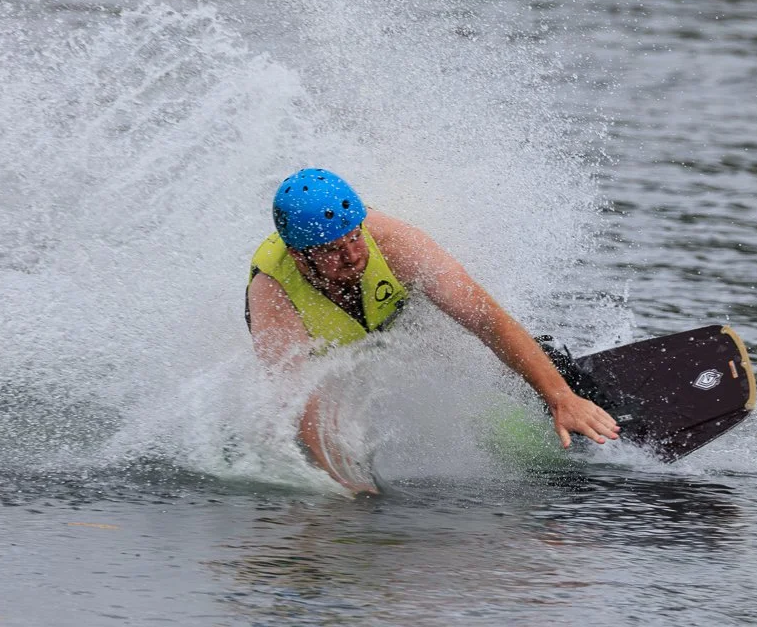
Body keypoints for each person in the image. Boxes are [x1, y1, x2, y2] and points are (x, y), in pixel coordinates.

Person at [246, 168, 619, 489]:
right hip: (327, 352)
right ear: (299, 256)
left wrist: (560, 397)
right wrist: (349, 486)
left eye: (354, 237)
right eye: (332, 250)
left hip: (401, 314)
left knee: (477, 356)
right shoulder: (272, 296)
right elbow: (304, 400)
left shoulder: (394, 243)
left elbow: (487, 321)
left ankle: (576, 400)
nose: (352, 256)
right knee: (317, 434)